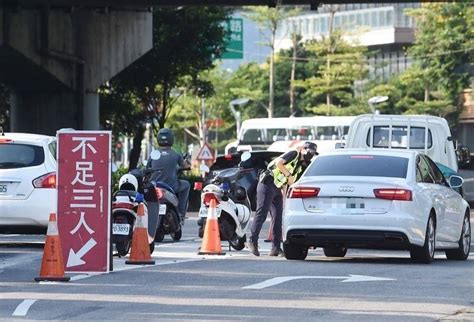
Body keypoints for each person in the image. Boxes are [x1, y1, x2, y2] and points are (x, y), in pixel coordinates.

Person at [247, 141, 318, 256]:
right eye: (310, 151)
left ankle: (275, 248)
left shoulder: (300, 165)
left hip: (277, 187)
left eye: (313, 153)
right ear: (303, 149)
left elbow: (287, 183)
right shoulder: (294, 154)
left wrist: (285, 197)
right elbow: (280, 164)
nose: (311, 154)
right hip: (267, 182)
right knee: (262, 213)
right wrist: (288, 175)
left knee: (278, 216)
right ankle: (252, 241)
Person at [147, 128, 190, 220]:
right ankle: (181, 213)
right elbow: (186, 166)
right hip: (171, 186)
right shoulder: (176, 154)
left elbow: (147, 168)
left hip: (154, 186)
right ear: (171, 139)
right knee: (186, 185)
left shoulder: (153, 154)